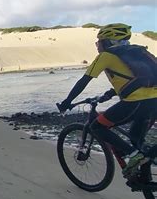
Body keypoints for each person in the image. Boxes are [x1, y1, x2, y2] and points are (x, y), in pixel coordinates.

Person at [57, 23, 157, 179]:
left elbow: (84, 81)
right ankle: (145, 179)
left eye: (100, 42)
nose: (98, 46)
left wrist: (67, 101)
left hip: (135, 103)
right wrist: (110, 94)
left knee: (96, 126)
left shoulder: (106, 56)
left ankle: (134, 156)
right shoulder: (136, 52)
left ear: (109, 42)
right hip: (154, 102)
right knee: (135, 138)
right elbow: (135, 80)